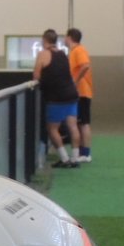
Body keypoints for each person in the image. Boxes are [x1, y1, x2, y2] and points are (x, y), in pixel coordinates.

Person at [33, 28, 81, 168]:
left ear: (44, 40)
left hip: (56, 98)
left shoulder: (43, 54)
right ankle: (75, 158)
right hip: (71, 95)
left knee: (52, 128)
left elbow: (36, 76)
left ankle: (65, 159)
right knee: (73, 126)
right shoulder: (63, 54)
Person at [65, 27, 94, 162]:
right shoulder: (73, 52)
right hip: (79, 92)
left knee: (84, 123)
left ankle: (86, 154)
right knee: (79, 123)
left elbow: (85, 65)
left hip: (82, 92)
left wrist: (75, 82)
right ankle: (82, 152)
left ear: (69, 37)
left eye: (65, 37)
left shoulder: (79, 50)